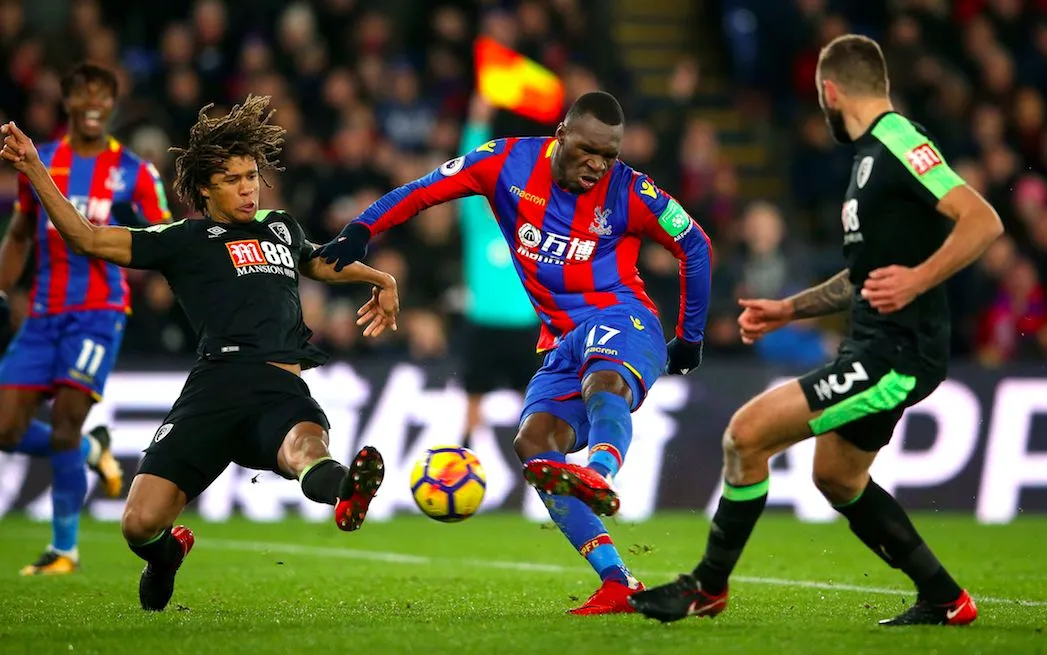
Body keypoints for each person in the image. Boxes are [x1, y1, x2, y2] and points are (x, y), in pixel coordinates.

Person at [629, 34, 1002, 627]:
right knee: (837, 476)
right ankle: (945, 598)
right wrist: (789, 309)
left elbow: (982, 219)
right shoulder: (869, 158)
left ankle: (707, 586)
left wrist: (917, 280)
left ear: (831, 91)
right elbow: (862, 275)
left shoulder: (898, 140)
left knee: (746, 435)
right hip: (875, 345)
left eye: (819, 97)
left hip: (896, 353)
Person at [313, 91, 712, 614]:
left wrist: (690, 337)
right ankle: (618, 580)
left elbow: (694, 244)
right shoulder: (506, 162)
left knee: (603, 378)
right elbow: (422, 190)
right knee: (534, 443)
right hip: (561, 342)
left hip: (623, 318)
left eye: (609, 155)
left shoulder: (631, 191)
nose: (597, 165)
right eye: (588, 150)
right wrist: (362, 228)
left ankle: (601, 472)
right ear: (561, 134)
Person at [1, 94, 398, 611]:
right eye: (233, 179)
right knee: (139, 524)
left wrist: (380, 278)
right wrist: (34, 167)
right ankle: (165, 555)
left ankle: (348, 492)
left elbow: (319, 262)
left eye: (252, 176)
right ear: (205, 188)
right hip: (213, 388)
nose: (248, 188)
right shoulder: (183, 239)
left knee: (306, 448)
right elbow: (87, 239)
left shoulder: (280, 226)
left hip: (278, 386)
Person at [0, 62, 163, 575]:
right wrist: (1, 288)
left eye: (103, 94)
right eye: (83, 93)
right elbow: (20, 234)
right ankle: (93, 449)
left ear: (113, 104)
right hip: (43, 314)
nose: (94, 103)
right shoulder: (39, 161)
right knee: (5, 429)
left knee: (65, 423)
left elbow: (167, 235)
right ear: (67, 101)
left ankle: (63, 550)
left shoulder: (135, 171)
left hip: (98, 314)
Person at [455, 96, 539, 444]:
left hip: (526, 329)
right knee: (472, 406)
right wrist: (476, 124)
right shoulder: (476, 225)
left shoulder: (531, 227)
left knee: (535, 407)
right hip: (483, 327)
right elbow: (465, 171)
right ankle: (461, 463)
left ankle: (547, 463)